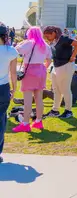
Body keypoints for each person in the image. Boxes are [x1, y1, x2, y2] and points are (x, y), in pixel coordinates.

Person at [13, 27, 53, 132]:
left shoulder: (29, 43)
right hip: (41, 70)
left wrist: (22, 42)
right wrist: (44, 66)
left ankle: (25, 123)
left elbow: (16, 50)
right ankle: (38, 121)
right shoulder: (45, 45)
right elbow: (49, 59)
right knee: (38, 98)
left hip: (29, 70)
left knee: (27, 99)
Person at [43, 26, 77, 119]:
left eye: (48, 36)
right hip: (56, 66)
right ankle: (55, 110)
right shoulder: (53, 41)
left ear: (54, 33)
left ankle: (68, 111)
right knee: (56, 90)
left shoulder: (63, 38)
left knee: (65, 89)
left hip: (66, 65)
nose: (47, 38)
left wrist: (73, 56)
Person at [0, 25, 18, 163]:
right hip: (3, 88)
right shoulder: (11, 51)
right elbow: (13, 73)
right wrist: (14, 89)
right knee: (1, 120)